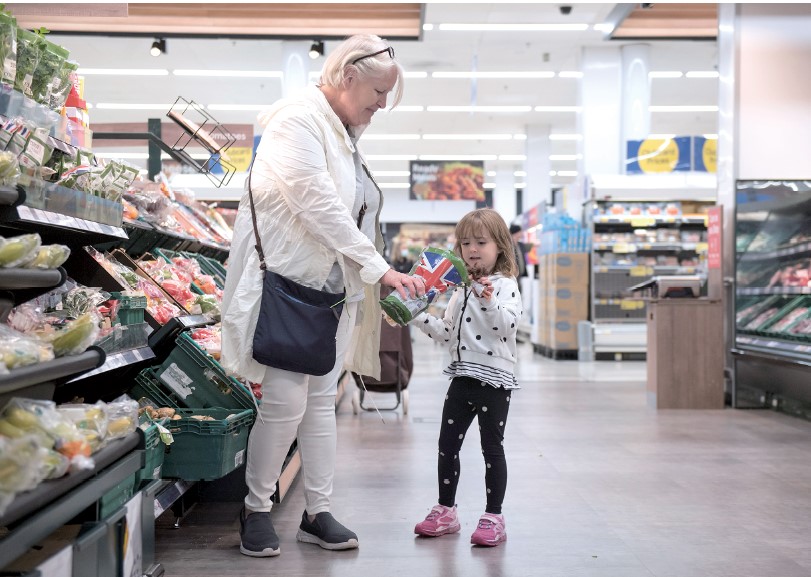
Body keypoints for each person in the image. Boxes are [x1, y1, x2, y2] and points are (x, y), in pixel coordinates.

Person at [220, 34, 425, 558]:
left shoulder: (343, 134)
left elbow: (354, 210)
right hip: (290, 288)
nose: (381, 105)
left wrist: (373, 273)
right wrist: (379, 269)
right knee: (285, 402)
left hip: (332, 293)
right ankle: (256, 508)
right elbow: (318, 205)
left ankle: (317, 511)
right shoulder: (297, 121)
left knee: (319, 403)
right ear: (347, 77)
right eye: (377, 93)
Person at [412, 208, 523, 547]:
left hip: (494, 381)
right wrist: (415, 314)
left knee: (492, 448)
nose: (472, 249)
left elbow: (506, 326)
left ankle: (494, 516)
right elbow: (448, 333)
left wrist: (487, 300)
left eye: (481, 242)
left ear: (500, 246)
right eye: (465, 243)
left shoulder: (506, 286)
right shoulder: (459, 289)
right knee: (447, 447)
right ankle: (446, 510)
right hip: (461, 377)